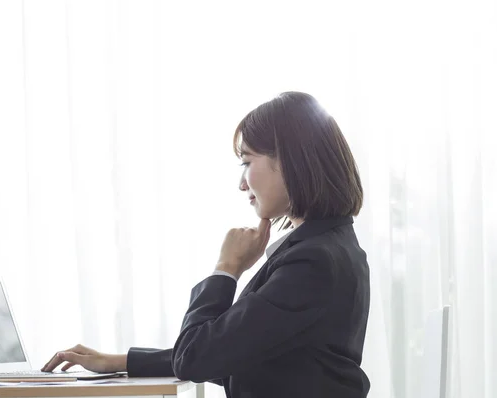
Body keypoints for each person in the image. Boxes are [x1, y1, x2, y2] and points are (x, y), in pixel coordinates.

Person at [42, 92, 371, 397]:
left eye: (247, 161)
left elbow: (197, 357)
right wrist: (119, 361)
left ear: (288, 160)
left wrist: (226, 268)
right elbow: (237, 352)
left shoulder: (311, 262)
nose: (242, 184)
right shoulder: (328, 247)